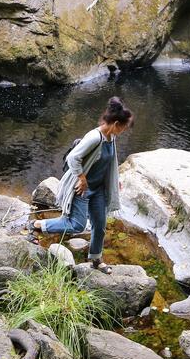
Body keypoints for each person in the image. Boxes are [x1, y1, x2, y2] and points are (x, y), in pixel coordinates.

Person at [34, 97, 134, 273]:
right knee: (76, 225)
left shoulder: (111, 137)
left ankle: (96, 259)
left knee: (100, 225)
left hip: (99, 189)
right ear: (116, 123)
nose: (125, 131)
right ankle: (38, 226)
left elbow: (108, 161)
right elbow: (74, 158)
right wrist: (81, 178)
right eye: (124, 127)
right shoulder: (95, 137)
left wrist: (113, 178)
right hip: (83, 188)